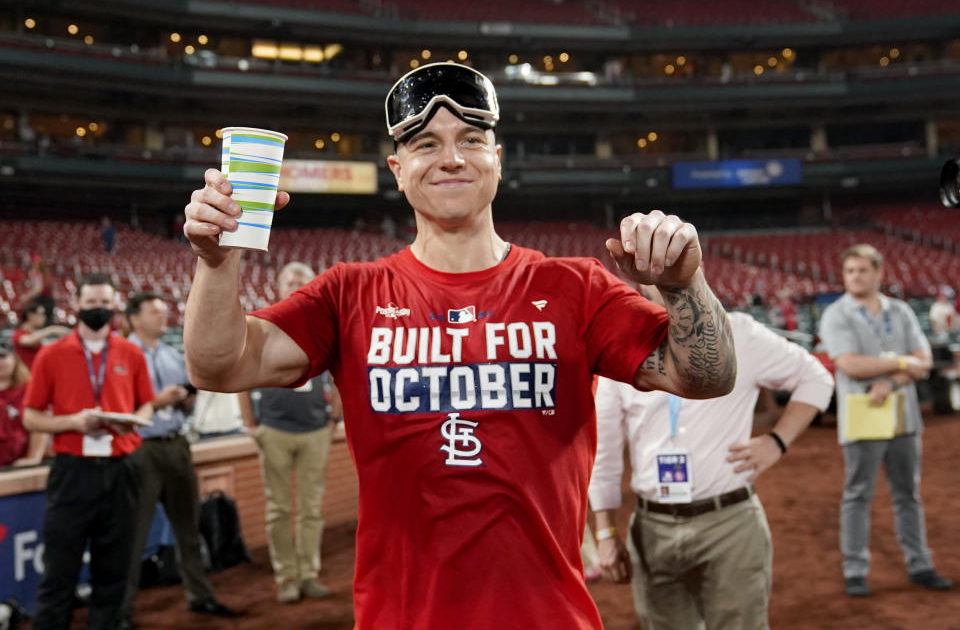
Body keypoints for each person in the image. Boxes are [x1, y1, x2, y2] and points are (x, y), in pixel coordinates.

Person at [181, 61, 737, 629]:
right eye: (426, 144)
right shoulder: (349, 293)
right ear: (398, 170)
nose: (451, 157)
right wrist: (218, 260)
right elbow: (218, 365)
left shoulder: (575, 286)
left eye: (471, 139)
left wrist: (683, 284)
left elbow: (704, 377)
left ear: (497, 159)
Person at [589, 285, 834, 630]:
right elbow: (605, 449)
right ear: (642, 283)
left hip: (730, 523)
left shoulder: (740, 333)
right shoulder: (623, 347)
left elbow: (817, 378)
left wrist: (777, 442)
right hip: (653, 527)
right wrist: (605, 532)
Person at [819, 244, 953, 597]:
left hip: (904, 417)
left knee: (909, 493)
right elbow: (850, 364)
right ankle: (855, 570)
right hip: (864, 416)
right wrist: (904, 363)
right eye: (849, 271)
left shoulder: (902, 310)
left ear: (878, 273)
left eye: (862, 270)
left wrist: (893, 378)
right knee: (858, 494)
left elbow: (925, 360)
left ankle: (920, 564)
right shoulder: (836, 314)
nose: (855, 277)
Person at [22, 272, 154, 630]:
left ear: (115, 306)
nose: (99, 308)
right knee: (58, 572)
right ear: (76, 305)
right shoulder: (51, 354)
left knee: (114, 572)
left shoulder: (131, 352)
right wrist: (70, 423)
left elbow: (147, 407)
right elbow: (32, 417)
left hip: (122, 469)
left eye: (105, 303)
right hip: (72, 472)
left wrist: (133, 420)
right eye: (91, 302)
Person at [120, 292, 237, 627]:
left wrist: (185, 400)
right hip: (141, 447)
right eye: (154, 312)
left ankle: (201, 596)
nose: (163, 317)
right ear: (134, 318)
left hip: (176, 443)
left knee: (188, 526)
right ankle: (122, 611)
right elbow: (120, 407)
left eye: (163, 311)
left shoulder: (172, 354)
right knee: (135, 533)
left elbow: (184, 403)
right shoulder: (124, 355)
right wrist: (157, 402)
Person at [238, 262, 340, 604]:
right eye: (291, 281)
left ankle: (309, 574)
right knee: (278, 509)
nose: (296, 285)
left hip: (315, 430)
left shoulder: (324, 325)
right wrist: (250, 422)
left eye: (302, 281)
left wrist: (334, 418)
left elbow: (340, 373)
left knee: (312, 508)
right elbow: (241, 375)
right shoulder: (263, 321)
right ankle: (286, 577)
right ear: (279, 287)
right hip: (275, 429)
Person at [0, 339, 48, 467]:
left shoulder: (28, 389)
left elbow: (39, 424)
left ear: (14, 359)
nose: (0, 362)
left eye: (3, 356)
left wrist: (34, 456)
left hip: (18, 464)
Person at [13, 299, 71, 369]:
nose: (44, 317)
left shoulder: (35, 333)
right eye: (41, 314)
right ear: (30, 315)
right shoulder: (18, 333)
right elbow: (28, 340)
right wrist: (52, 329)